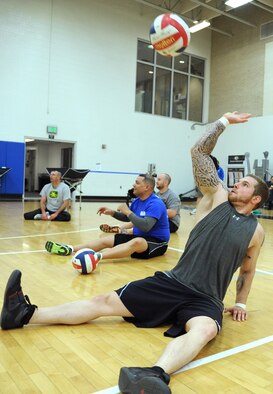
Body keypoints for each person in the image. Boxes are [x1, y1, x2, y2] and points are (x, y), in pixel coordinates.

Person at [1, 112, 269, 394]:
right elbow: (198, 151)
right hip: (172, 283)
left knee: (205, 331)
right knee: (104, 301)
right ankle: (25, 314)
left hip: (206, 298)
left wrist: (239, 303)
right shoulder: (215, 197)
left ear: (255, 199)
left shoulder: (256, 232)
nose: (237, 184)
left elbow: (248, 269)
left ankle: (154, 375)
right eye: (239, 182)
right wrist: (223, 122)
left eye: (246, 184)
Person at [45, 173, 170, 261]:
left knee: (137, 242)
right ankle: (70, 248)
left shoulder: (156, 203)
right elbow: (129, 219)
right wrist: (113, 213)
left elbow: (146, 226)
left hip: (156, 243)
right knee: (107, 240)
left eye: (137, 183)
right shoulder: (138, 201)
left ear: (147, 187)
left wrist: (127, 211)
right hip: (138, 237)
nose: (133, 185)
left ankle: (97, 257)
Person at [100, 173, 181, 234]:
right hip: (156, 219)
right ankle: (118, 228)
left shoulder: (172, 196)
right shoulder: (157, 195)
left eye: (159, 180)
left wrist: (149, 213)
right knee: (138, 219)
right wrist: (112, 212)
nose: (156, 181)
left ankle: (123, 230)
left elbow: (173, 213)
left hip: (171, 223)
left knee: (141, 221)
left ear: (166, 183)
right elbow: (129, 216)